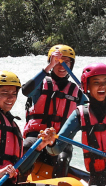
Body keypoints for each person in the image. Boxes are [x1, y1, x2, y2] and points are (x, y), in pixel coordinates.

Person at [21, 44, 86, 178]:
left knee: (62, 160)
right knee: (25, 148)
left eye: (66, 62)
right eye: (58, 62)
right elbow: (26, 91)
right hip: (36, 136)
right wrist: (48, 67)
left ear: (71, 65)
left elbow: (91, 112)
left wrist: (91, 92)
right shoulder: (41, 83)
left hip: (59, 140)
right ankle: (17, 184)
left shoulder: (77, 91)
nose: (62, 66)